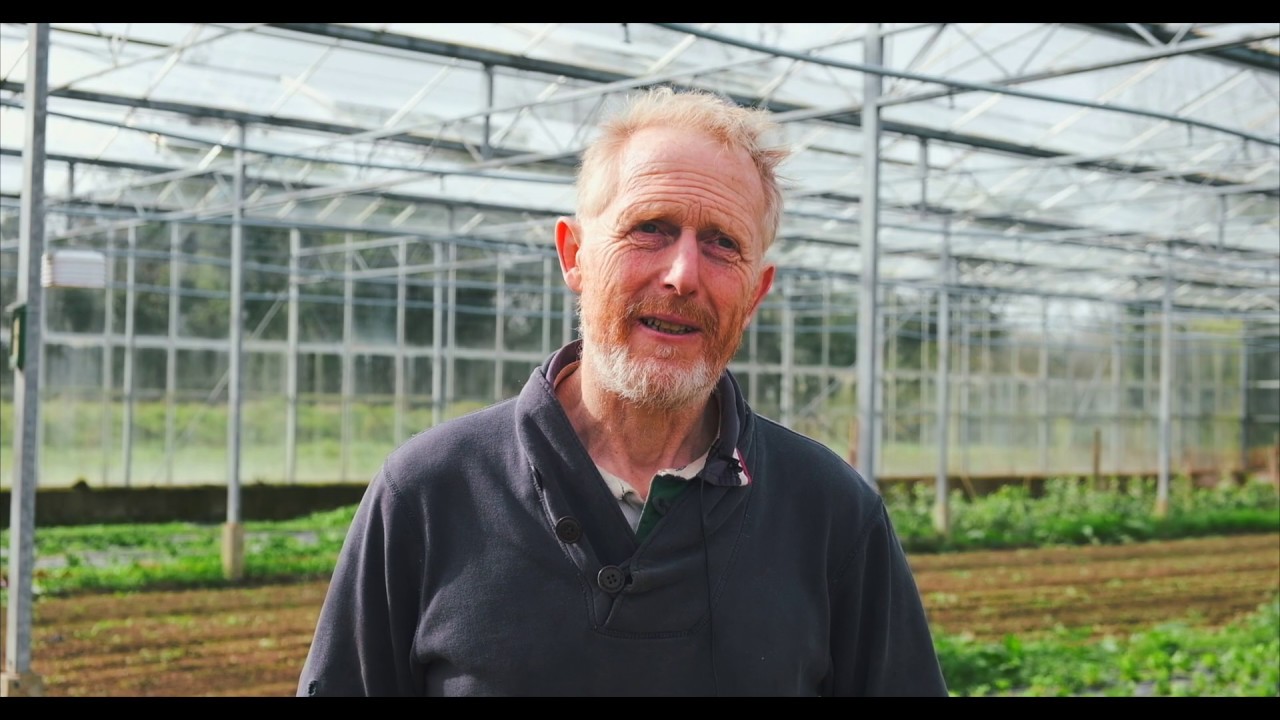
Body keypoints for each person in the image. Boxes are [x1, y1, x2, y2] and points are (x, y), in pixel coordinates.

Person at [296, 86, 948, 697]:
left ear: (756, 293)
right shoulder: (431, 490)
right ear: (574, 255)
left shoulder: (831, 512)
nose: (683, 274)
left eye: (723, 244)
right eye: (651, 228)